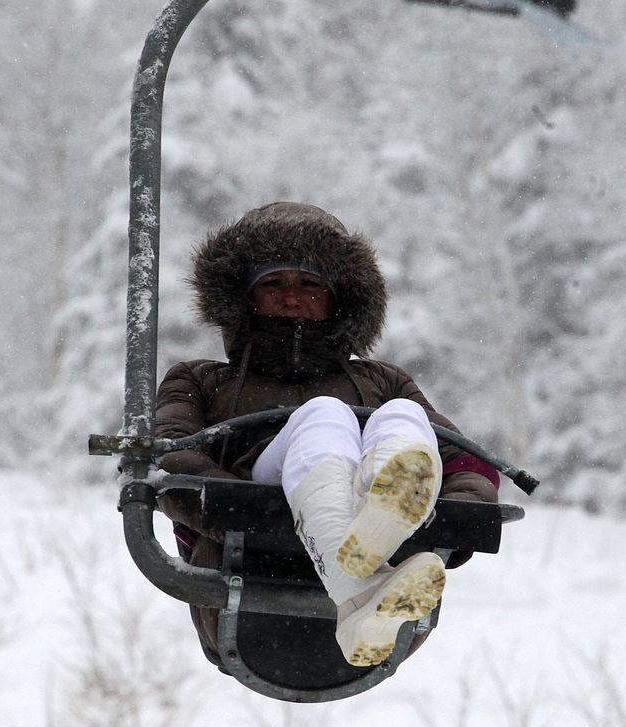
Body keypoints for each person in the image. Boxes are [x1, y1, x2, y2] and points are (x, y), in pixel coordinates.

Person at [155, 202, 499, 668]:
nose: (291, 298)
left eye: (309, 284)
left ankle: (381, 524)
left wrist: (462, 515)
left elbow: (465, 462)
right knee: (326, 417)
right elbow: (173, 457)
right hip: (247, 560)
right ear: (246, 298)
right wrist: (250, 509)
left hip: (327, 592)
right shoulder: (199, 380)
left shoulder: (382, 380)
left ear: (338, 299)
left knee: (402, 413)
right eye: (273, 283)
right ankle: (357, 576)